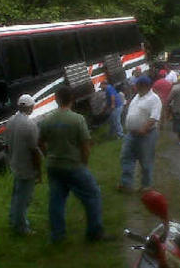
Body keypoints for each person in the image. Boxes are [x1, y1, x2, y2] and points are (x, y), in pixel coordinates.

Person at [38, 86, 106, 243]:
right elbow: (85, 146)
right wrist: (84, 164)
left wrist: (49, 155)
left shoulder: (47, 120)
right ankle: (95, 233)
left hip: (53, 166)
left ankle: (57, 236)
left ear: (56, 99)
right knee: (93, 194)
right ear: (72, 99)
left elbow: (40, 143)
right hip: (73, 166)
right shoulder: (77, 119)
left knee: (56, 200)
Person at [4, 94, 42, 235]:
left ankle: (13, 219)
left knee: (17, 195)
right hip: (26, 166)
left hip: (15, 163)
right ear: (30, 107)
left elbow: (7, 145)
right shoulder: (30, 125)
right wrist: (38, 171)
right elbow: (34, 151)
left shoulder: (10, 121)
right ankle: (21, 227)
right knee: (23, 198)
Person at [119, 76, 162, 193]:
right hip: (131, 134)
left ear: (145, 86)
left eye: (137, 85)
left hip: (146, 135)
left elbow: (154, 117)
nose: (135, 87)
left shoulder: (154, 99)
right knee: (126, 157)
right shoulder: (137, 97)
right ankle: (126, 184)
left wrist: (144, 128)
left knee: (146, 160)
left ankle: (146, 186)